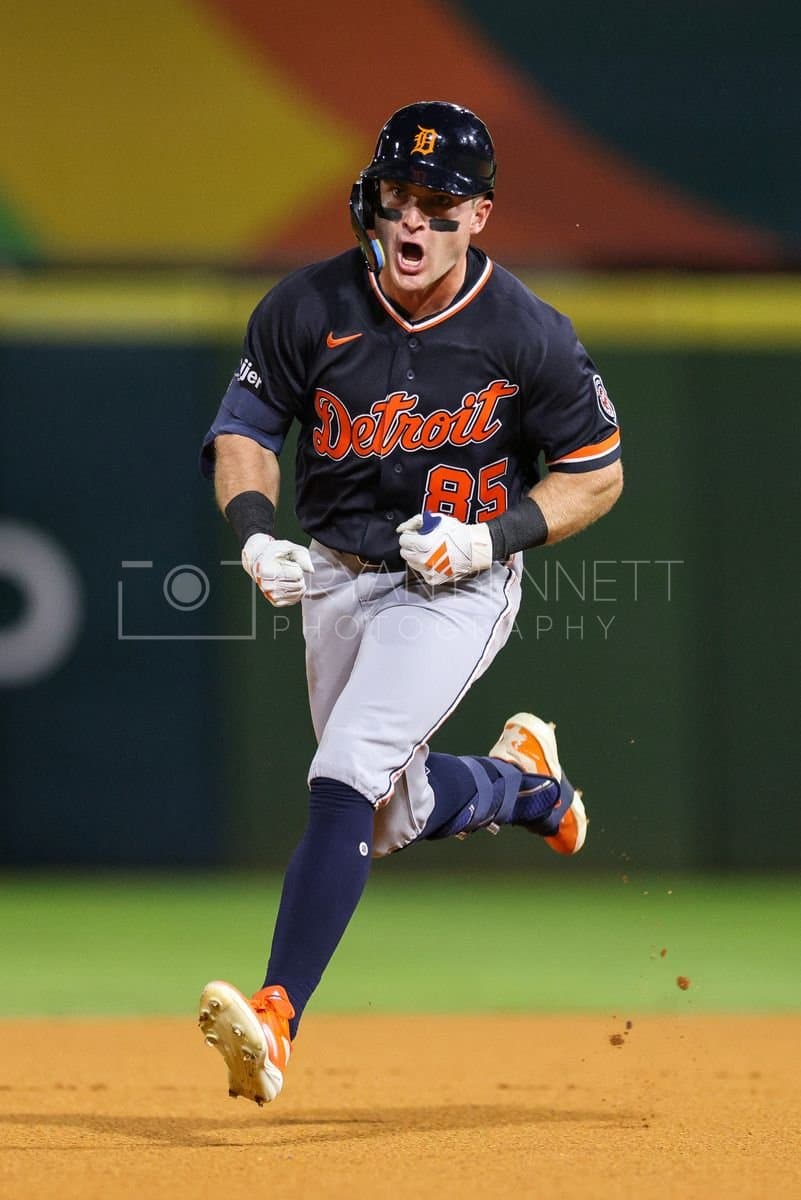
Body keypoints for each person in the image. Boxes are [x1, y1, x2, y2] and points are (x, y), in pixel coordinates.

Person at [197, 100, 623, 1106]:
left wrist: (492, 535)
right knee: (390, 812)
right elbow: (245, 435)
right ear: (371, 201)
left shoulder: (525, 331)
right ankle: (523, 785)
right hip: (339, 578)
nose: (414, 221)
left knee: (345, 769)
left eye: (440, 202)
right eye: (399, 196)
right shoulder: (306, 307)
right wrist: (257, 532)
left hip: (456, 582)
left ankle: (276, 1015)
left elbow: (596, 473)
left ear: (479, 215)